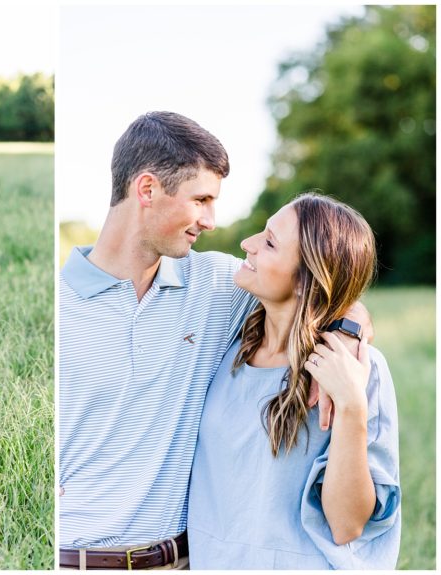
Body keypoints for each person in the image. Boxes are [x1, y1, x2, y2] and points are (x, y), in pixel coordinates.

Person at [58, 112, 367, 570]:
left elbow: (324, 287)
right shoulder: (59, 304)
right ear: (147, 190)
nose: (211, 220)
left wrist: (348, 334)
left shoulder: (220, 285)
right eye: (200, 199)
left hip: (185, 561)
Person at [187, 193, 400, 569]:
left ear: (305, 281)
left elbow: (347, 525)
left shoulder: (356, 369)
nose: (246, 244)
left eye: (269, 242)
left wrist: (351, 406)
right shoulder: (225, 344)